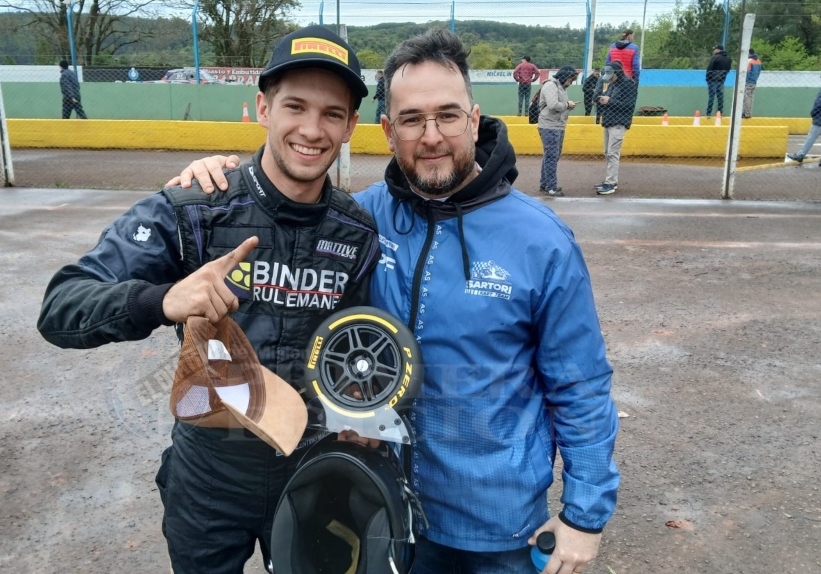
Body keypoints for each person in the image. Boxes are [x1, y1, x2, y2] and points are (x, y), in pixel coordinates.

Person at [171, 29, 621, 574]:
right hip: (372, 507)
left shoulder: (540, 241)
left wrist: (584, 515)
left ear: (474, 120)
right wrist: (217, 178)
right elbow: (275, 210)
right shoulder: (356, 222)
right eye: (411, 120)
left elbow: (580, 385)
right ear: (388, 131)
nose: (431, 136)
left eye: (447, 116)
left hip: (496, 530)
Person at [37, 25, 381, 574]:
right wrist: (161, 299)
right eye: (295, 106)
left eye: (331, 114)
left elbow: (358, 349)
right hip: (208, 474)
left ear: (350, 126)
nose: (312, 130)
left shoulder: (357, 232)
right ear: (263, 108)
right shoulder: (194, 207)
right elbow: (61, 306)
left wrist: (360, 408)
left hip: (313, 473)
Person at [594, 61, 638, 195]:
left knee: (613, 153)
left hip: (619, 122)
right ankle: (610, 180)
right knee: (608, 152)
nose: (610, 79)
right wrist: (602, 99)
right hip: (609, 121)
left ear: (617, 73)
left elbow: (629, 105)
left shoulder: (628, 84)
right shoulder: (613, 84)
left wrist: (609, 101)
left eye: (611, 76)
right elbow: (608, 99)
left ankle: (611, 183)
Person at [538, 66, 579, 197]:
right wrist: (567, 104)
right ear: (564, 76)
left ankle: (545, 184)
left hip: (557, 125)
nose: (570, 83)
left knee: (551, 156)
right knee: (551, 156)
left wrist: (567, 105)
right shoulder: (551, 85)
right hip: (550, 126)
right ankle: (551, 187)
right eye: (570, 80)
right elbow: (553, 105)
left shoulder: (560, 87)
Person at [706, 44, 731, 118]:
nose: (714, 50)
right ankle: (719, 113)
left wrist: (708, 78)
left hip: (712, 80)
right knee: (720, 97)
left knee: (711, 97)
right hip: (721, 80)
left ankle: (708, 113)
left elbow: (709, 68)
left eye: (715, 49)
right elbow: (728, 70)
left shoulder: (715, 57)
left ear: (718, 50)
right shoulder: (728, 59)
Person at [743, 48, 762, 119]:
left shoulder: (749, 61)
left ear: (748, 53)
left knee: (746, 98)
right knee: (751, 97)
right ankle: (749, 112)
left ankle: (746, 113)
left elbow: (747, 72)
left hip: (748, 82)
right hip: (754, 82)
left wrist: (745, 81)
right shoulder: (758, 61)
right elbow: (759, 72)